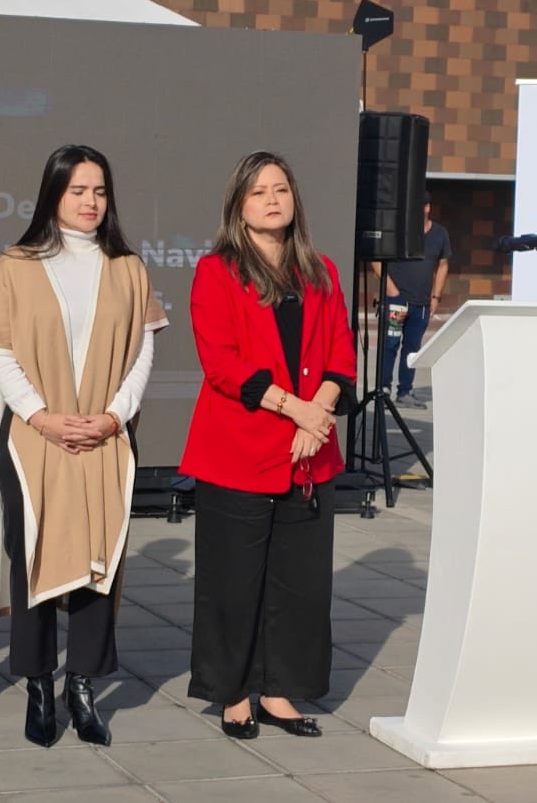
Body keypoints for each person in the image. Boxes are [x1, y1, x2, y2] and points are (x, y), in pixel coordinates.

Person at [0, 144, 167, 748]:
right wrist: (42, 417)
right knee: (35, 560)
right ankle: (37, 685)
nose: (90, 201)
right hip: (34, 439)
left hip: (106, 437)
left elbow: (142, 352)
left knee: (99, 562)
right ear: (53, 193)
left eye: (99, 191)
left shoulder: (128, 268)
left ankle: (82, 686)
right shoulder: (15, 266)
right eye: (78, 190)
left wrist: (112, 417)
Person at [179, 151, 357, 740]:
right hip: (238, 450)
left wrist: (318, 412)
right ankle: (232, 693)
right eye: (258, 192)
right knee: (232, 582)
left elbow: (341, 350)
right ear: (239, 207)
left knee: (299, 583)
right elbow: (222, 364)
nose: (272, 200)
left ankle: (280, 690)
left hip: (310, 453)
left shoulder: (321, 271)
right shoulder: (216, 271)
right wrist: (296, 409)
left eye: (281, 189)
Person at [373, 195, 450, 409]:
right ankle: (383, 389)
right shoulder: (397, 231)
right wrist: (392, 291)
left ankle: (405, 391)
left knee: (413, 349)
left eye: (420, 205)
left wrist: (436, 297)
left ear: (427, 207)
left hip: (422, 303)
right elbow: (376, 259)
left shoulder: (440, 234)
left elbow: (443, 265)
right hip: (396, 301)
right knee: (390, 344)